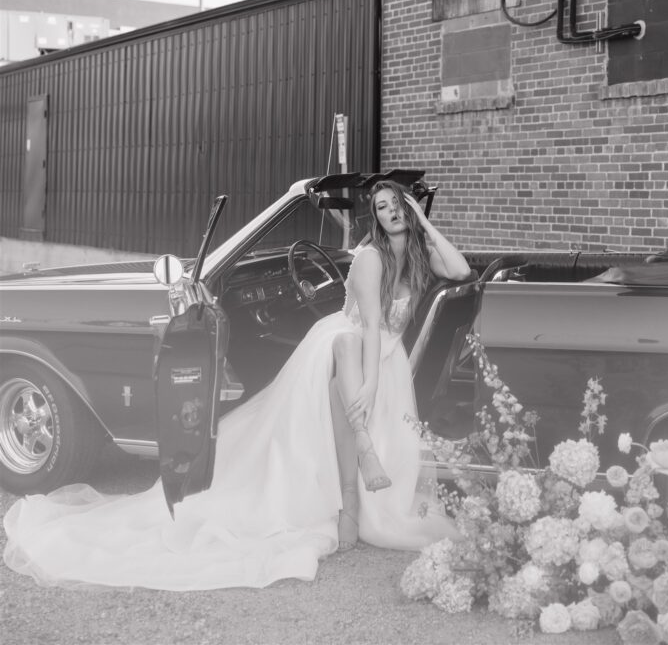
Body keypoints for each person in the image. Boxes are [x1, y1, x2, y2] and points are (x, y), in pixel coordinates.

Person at [3, 180, 471, 591]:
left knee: (341, 385)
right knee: (346, 346)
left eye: (397, 204)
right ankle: (361, 457)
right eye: (384, 205)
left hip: (378, 356)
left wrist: (424, 225)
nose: (390, 211)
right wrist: (368, 387)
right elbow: (367, 324)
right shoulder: (368, 257)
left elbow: (462, 270)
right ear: (376, 215)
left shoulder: (417, 254)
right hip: (350, 344)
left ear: (406, 210)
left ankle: (353, 490)